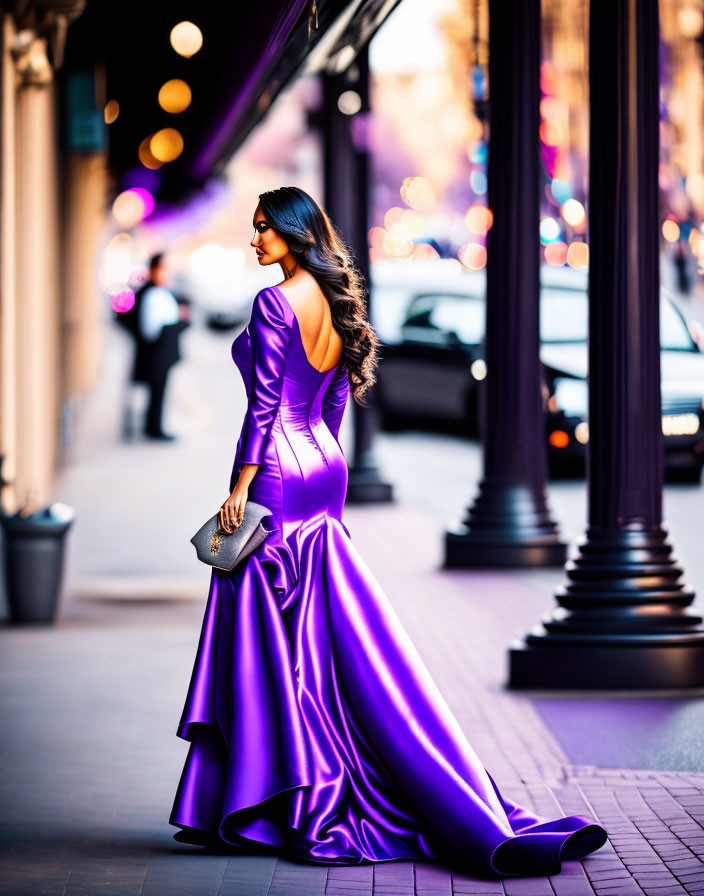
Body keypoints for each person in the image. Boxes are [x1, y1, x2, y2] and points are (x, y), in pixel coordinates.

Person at [168, 187, 608, 877]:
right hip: (323, 462)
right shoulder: (334, 297)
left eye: (264, 229)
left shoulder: (275, 301)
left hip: (277, 468)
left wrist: (241, 487)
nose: (255, 240)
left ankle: (277, 800)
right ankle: (297, 788)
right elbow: (336, 395)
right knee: (316, 629)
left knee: (269, 633)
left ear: (293, 232)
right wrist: (318, 459)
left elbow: (260, 408)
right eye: (254, 229)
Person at [131, 253, 190, 441]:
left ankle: (153, 426)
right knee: (156, 393)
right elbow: (151, 329)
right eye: (164, 268)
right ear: (155, 270)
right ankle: (153, 428)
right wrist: (181, 321)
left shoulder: (159, 292)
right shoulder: (152, 293)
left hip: (159, 353)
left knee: (158, 392)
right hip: (157, 354)